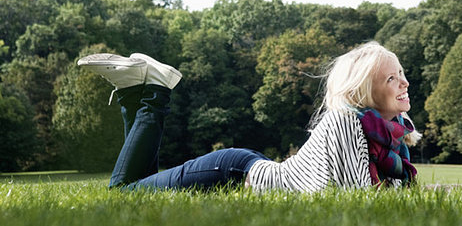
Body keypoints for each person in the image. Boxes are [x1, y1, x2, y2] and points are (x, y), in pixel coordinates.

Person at [77, 41, 421, 192]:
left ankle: (134, 90)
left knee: (139, 187)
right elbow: (359, 195)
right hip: (229, 171)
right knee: (124, 191)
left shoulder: (390, 134)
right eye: (392, 78)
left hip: (252, 167)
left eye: (401, 73)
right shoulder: (347, 120)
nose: (405, 82)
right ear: (364, 89)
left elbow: (392, 192)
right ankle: (153, 95)